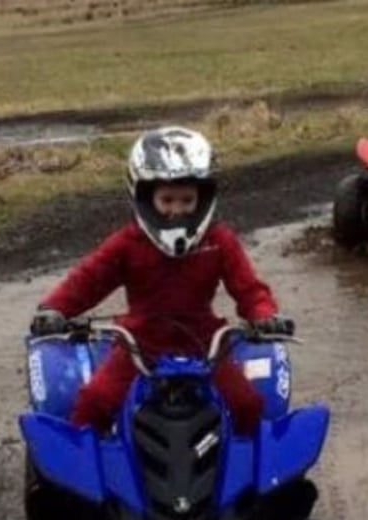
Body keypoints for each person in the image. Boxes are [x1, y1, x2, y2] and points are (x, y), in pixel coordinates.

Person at [29, 126, 291, 436]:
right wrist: (55, 309)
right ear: (145, 197)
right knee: (95, 401)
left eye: (186, 200)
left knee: (247, 403)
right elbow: (88, 279)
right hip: (139, 344)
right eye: (166, 200)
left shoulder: (219, 241)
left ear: (202, 199)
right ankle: (78, 471)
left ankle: (247, 473)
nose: (176, 210)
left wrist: (265, 316)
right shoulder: (128, 243)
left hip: (205, 344)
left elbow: (249, 289)